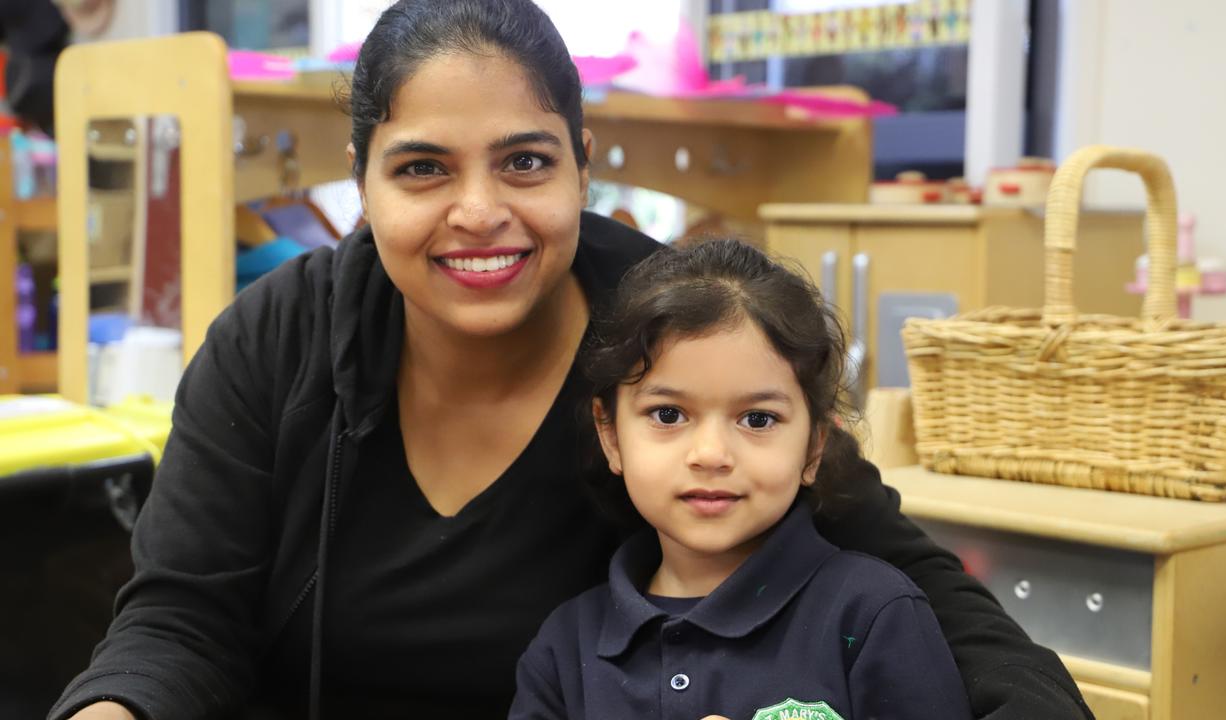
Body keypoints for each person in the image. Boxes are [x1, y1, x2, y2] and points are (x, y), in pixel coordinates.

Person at [51, 1, 1091, 719]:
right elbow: (181, 622)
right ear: (359, 183)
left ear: (583, 167)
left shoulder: (675, 337)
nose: (478, 211)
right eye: (421, 169)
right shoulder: (273, 343)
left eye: (524, 162)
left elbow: (905, 576)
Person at [509, 239, 971, 719]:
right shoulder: (564, 652)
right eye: (668, 414)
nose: (711, 455)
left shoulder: (873, 615)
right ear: (611, 437)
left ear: (814, 445)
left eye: (757, 420)